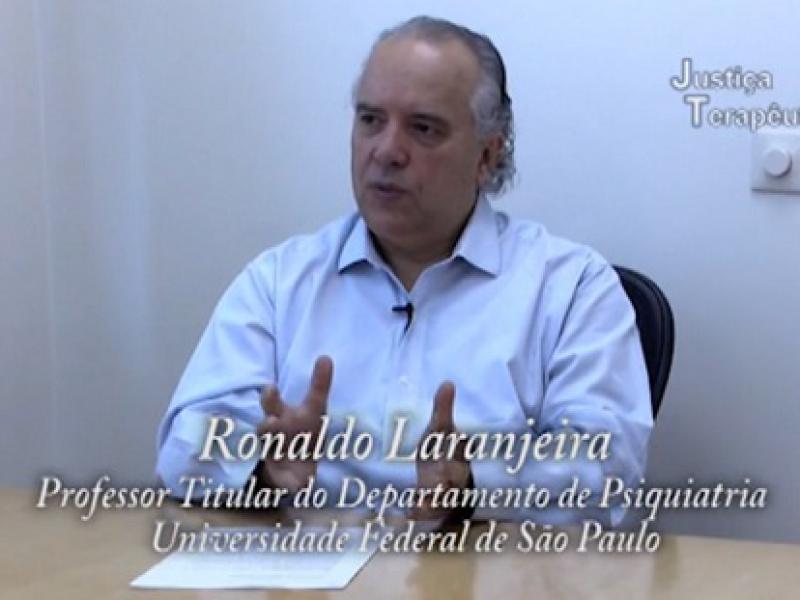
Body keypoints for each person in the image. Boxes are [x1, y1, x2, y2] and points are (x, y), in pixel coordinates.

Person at [155, 16, 652, 525]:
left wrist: (474, 483)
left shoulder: (571, 289)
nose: (387, 151)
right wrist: (259, 468)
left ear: (487, 154)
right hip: (310, 564)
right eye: (371, 119)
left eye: (423, 128)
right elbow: (184, 443)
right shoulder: (280, 282)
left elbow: (607, 466)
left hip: (481, 564)